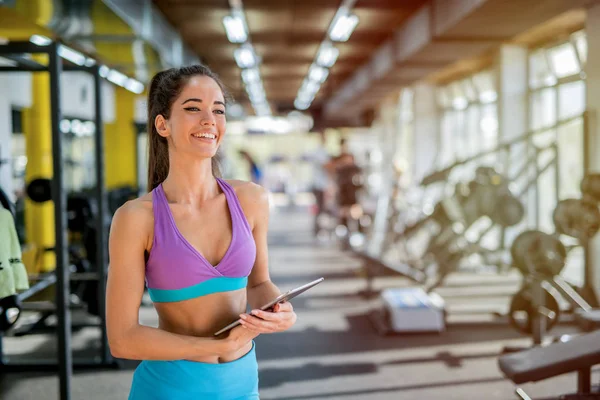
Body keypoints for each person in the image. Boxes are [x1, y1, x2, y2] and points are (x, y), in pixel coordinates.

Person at [106, 65, 297, 400]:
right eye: (193, 108)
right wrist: (209, 345)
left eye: (218, 110)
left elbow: (258, 283)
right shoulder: (136, 218)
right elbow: (122, 338)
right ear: (162, 124)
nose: (209, 119)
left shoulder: (251, 199)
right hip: (172, 386)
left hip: (242, 383)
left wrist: (277, 310)